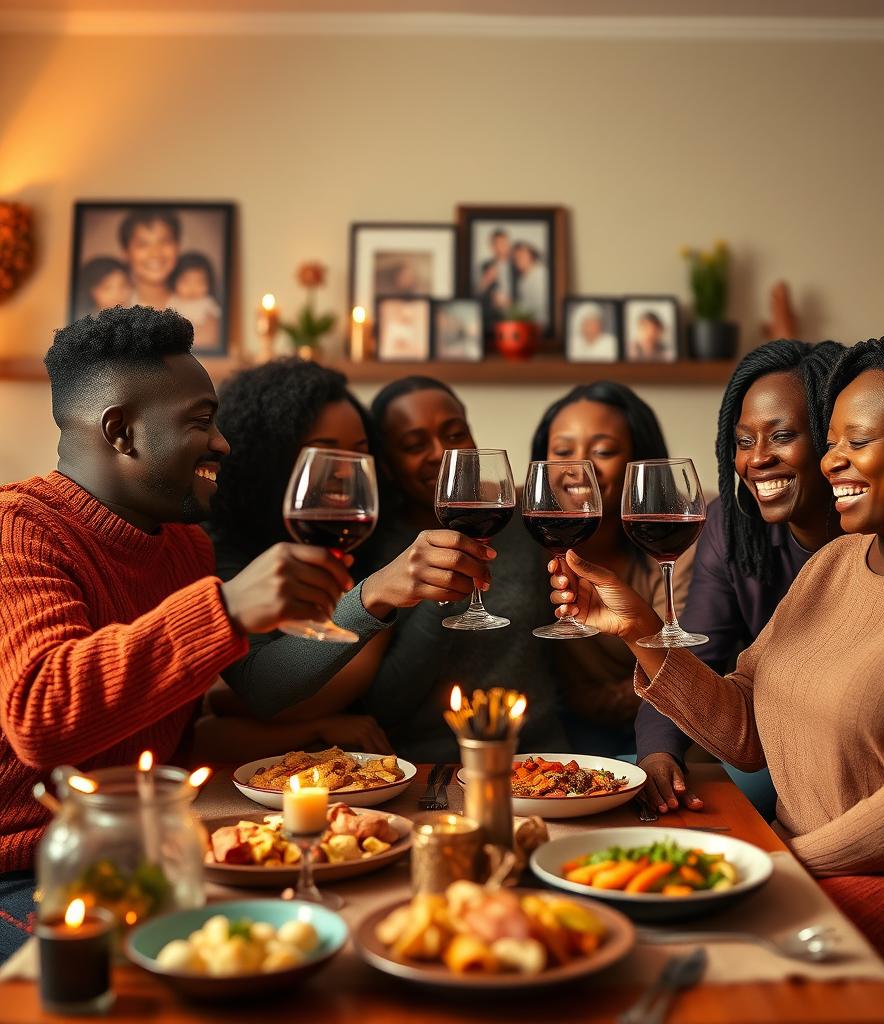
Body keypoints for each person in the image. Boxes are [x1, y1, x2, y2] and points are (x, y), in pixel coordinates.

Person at [551, 329, 884, 1024]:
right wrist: (644, 635)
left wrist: (771, 861)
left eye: (855, 442)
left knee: (707, 969)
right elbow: (745, 728)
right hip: (825, 867)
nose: (832, 460)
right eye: (831, 441)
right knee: (614, 926)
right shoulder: (839, 560)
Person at [0, 308, 353, 960]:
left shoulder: (186, 548)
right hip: (27, 874)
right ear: (122, 431)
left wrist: (313, 742)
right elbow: (41, 715)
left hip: (148, 855)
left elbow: (173, 723)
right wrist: (225, 609)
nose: (221, 442)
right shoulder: (19, 528)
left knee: (327, 933)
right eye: (200, 420)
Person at [201, 359, 500, 762]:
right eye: (325, 456)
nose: (345, 473)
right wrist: (373, 593)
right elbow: (242, 698)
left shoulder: (370, 540)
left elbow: (353, 684)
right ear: (267, 460)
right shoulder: (221, 548)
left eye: (359, 456)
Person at [635, 340, 845, 819]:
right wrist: (659, 754)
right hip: (767, 750)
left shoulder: (880, 537)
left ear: (834, 439)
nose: (757, 460)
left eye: (783, 436)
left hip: (844, 767)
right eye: (744, 441)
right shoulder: (732, 530)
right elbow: (693, 660)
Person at [364, 376, 567, 761]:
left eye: (455, 433)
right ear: (388, 465)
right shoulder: (377, 549)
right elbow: (386, 704)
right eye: (413, 445)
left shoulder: (518, 518)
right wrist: (437, 591)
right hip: (429, 767)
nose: (440, 452)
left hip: (545, 755)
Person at [531, 381, 693, 756]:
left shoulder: (681, 534)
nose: (579, 468)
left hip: (680, 726)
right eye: (562, 451)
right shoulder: (529, 534)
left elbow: (687, 666)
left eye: (603, 450)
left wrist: (595, 700)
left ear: (640, 461)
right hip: (574, 733)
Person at [119, 208, 180, 310]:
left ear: (177, 248)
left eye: (164, 242)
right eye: (143, 245)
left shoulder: (200, 310)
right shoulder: (112, 311)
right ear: (125, 253)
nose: (155, 253)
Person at [168, 251, 221, 349]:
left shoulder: (207, 302)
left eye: (199, 282)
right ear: (174, 281)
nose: (193, 288)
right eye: (186, 281)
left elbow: (214, 326)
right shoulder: (173, 300)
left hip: (200, 344)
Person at [477, 228, 514, 326]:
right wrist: (485, 282)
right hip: (492, 318)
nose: (501, 247)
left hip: (514, 316)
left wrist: (511, 302)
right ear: (491, 246)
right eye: (497, 243)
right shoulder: (485, 266)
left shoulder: (516, 266)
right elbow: (477, 294)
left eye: (504, 243)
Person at [511, 241, 548, 329]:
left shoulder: (541, 275)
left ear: (531, 256)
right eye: (515, 257)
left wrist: (510, 305)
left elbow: (537, 309)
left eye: (521, 255)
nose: (517, 259)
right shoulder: (522, 280)